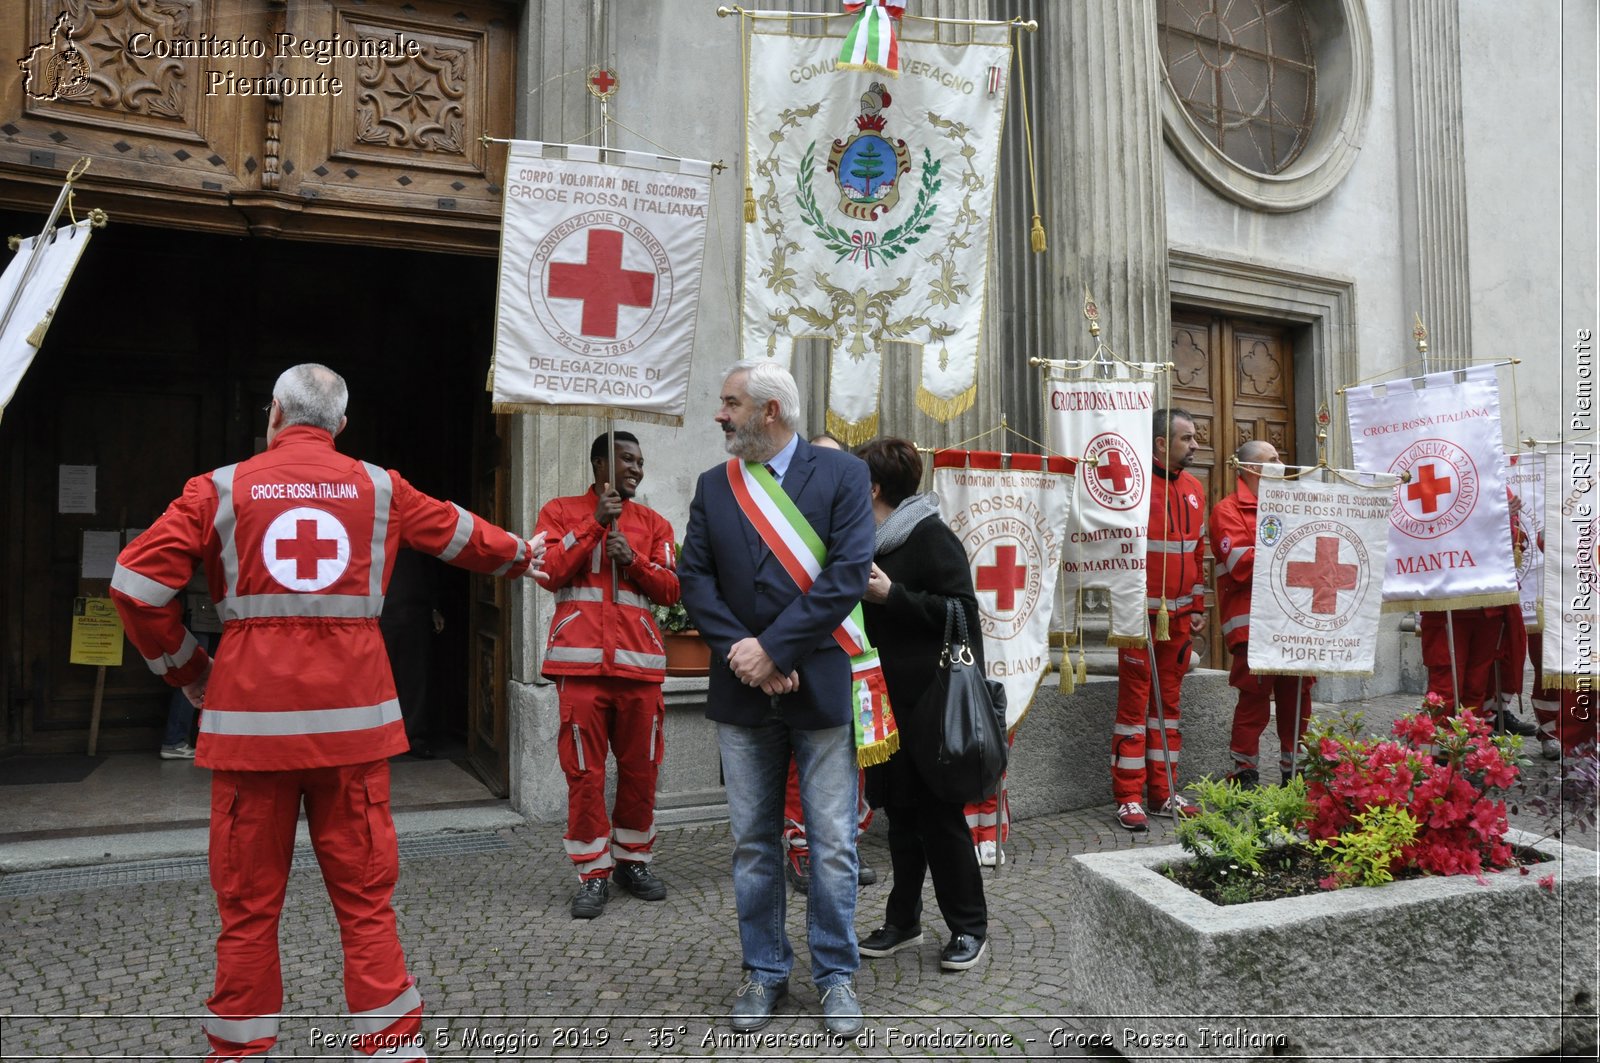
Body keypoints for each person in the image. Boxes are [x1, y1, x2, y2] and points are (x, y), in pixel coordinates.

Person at [110, 364, 547, 1063]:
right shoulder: (379, 486)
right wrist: (524, 555)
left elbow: (133, 585)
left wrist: (189, 670)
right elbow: (458, 532)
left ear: (273, 412)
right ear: (341, 425)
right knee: (366, 901)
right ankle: (391, 1048)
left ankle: (239, 1051)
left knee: (248, 910)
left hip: (251, 734)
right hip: (352, 731)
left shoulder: (218, 488)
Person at [678, 360, 872, 1036]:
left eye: (729, 403)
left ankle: (835, 974)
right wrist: (748, 655)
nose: (719, 415)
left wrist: (778, 650)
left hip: (817, 684)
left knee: (833, 842)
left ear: (769, 411)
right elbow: (695, 579)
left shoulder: (843, 475)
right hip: (742, 688)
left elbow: (847, 573)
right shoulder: (714, 485)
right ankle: (764, 971)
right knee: (754, 846)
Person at [854, 437, 990, 973]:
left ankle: (969, 927)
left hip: (931, 706)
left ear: (872, 487)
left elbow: (963, 615)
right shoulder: (866, 541)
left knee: (939, 818)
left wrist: (896, 597)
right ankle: (903, 920)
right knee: (901, 816)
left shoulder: (930, 536)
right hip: (882, 706)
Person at [533, 430, 680, 919]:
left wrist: (632, 560)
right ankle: (592, 872)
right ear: (600, 465)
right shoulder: (559, 511)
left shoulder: (655, 523)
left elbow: (671, 590)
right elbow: (549, 570)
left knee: (642, 771)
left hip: (640, 668)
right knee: (584, 773)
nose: (637, 468)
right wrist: (594, 527)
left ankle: (633, 861)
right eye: (626, 459)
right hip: (580, 666)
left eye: (641, 461)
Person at [782, 431, 876, 893]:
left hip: (854, 649)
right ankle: (801, 847)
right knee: (806, 762)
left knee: (857, 752)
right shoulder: (784, 520)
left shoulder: (851, 517)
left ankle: (845, 845)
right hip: (807, 652)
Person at [1112, 407, 1207, 831]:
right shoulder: (1133, 486)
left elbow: (1197, 553)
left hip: (1180, 619)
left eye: (1195, 437)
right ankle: (1128, 797)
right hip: (1138, 617)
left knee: (1167, 710)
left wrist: (1199, 605)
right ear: (1162, 443)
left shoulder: (1195, 488)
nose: (1195, 445)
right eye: (1187, 438)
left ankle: (1164, 791)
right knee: (1133, 709)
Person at [1210, 441, 1314, 786]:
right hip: (1254, 624)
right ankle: (1245, 771)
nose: (1282, 464)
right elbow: (1241, 565)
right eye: (1273, 460)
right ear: (1252, 468)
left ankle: (1294, 768)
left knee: (1297, 699)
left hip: (1296, 621)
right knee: (1253, 701)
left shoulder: (1293, 504)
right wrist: (1291, 544)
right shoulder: (1228, 510)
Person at [379, 547, 444, 759]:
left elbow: (430, 568)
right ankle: (382, 739)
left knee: (415, 678)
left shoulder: (415, 528)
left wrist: (434, 607)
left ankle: (414, 738)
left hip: (415, 610)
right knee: (379, 681)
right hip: (379, 613)